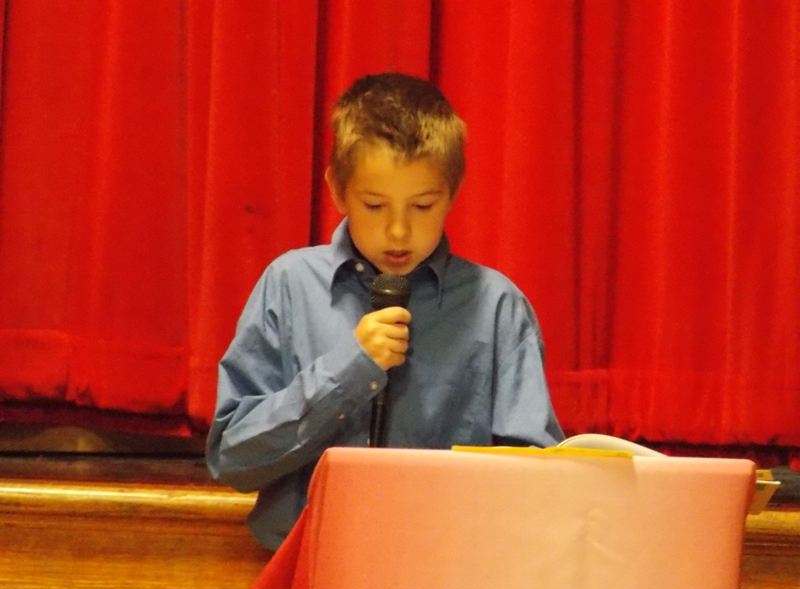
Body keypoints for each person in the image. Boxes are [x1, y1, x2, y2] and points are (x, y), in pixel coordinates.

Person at [206, 72, 564, 552]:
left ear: (452, 193)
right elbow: (232, 460)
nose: (398, 232)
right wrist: (350, 370)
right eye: (375, 206)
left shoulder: (497, 307)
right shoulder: (289, 285)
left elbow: (536, 486)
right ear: (338, 190)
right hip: (306, 567)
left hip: (448, 565)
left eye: (422, 206)